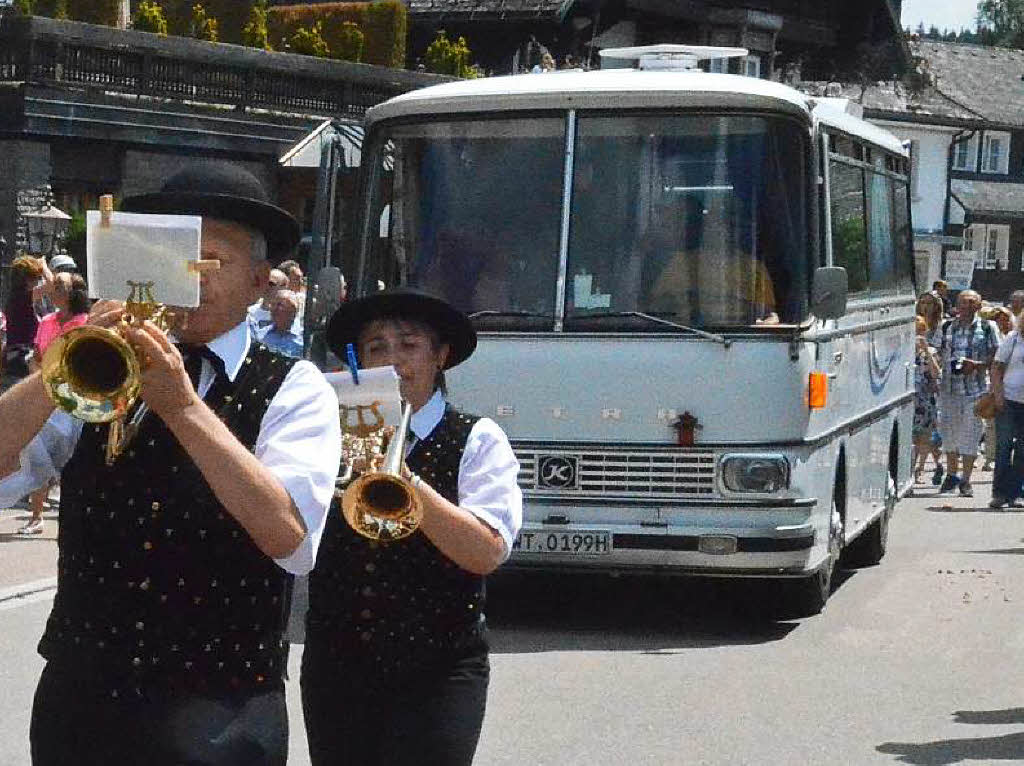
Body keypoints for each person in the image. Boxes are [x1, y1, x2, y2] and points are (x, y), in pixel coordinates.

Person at [0, 163, 341, 765]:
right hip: (83, 699)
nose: (191, 277)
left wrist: (182, 405)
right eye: (176, 256)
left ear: (260, 281)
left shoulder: (297, 387)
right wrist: (58, 365)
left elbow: (289, 537)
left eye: (213, 261)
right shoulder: (99, 371)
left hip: (220, 708)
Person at [302, 288, 523, 766]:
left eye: (409, 345)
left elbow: (485, 552)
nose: (394, 360)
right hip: (338, 663)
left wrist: (400, 475)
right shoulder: (326, 435)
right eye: (377, 347)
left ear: (440, 357)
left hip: (438, 668)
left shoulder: (478, 438)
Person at [18, 272, 90, 535]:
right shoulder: (47, 321)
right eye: (54, 285)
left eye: (60, 286)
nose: (53, 290)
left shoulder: (85, 322)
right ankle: (36, 517)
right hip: (44, 396)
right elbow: (37, 355)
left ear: (74, 294)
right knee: (39, 453)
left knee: (73, 460)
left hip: (75, 399)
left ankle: (76, 518)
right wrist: (36, 367)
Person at [936, 289, 999, 497]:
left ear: (979, 306)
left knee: (971, 434)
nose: (967, 306)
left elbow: (997, 357)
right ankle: (951, 474)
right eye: (963, 302)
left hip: (975, 389)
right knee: (949, 433)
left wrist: (978, 365)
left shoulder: (988, 327)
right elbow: (935, 350)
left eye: (972, 302)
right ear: (957, 306)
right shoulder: (946, 326)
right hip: (949, 389)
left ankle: (966, 480)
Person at [990, 320, 1024, 507]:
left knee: (1023, 451)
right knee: (1003, 447)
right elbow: (996, 367)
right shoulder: (1013, 338)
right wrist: (998, 396)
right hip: (1009, 400)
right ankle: (999, 494)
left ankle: (1016, 494)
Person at [912, 316, 941, 485]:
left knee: (924, 438)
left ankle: (920, 470)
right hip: (908, 400)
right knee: (911, 439)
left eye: (920, 332)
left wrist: (927, 352)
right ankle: (909, 470)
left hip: (924, 400)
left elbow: (937, 374)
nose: (916, 336)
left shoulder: (931, 352)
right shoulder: (902, 351)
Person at [257, 290, 303, 359]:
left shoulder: (304, 338)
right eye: (273, 304)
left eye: (280, 305)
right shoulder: (261, 335)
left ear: (293, 310)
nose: (273, 309)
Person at [247, 267, 288, 334]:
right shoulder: (250, 313)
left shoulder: (289, 314)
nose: (266, 286)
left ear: (283, 287)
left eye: (271, 284)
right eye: (264, 282)